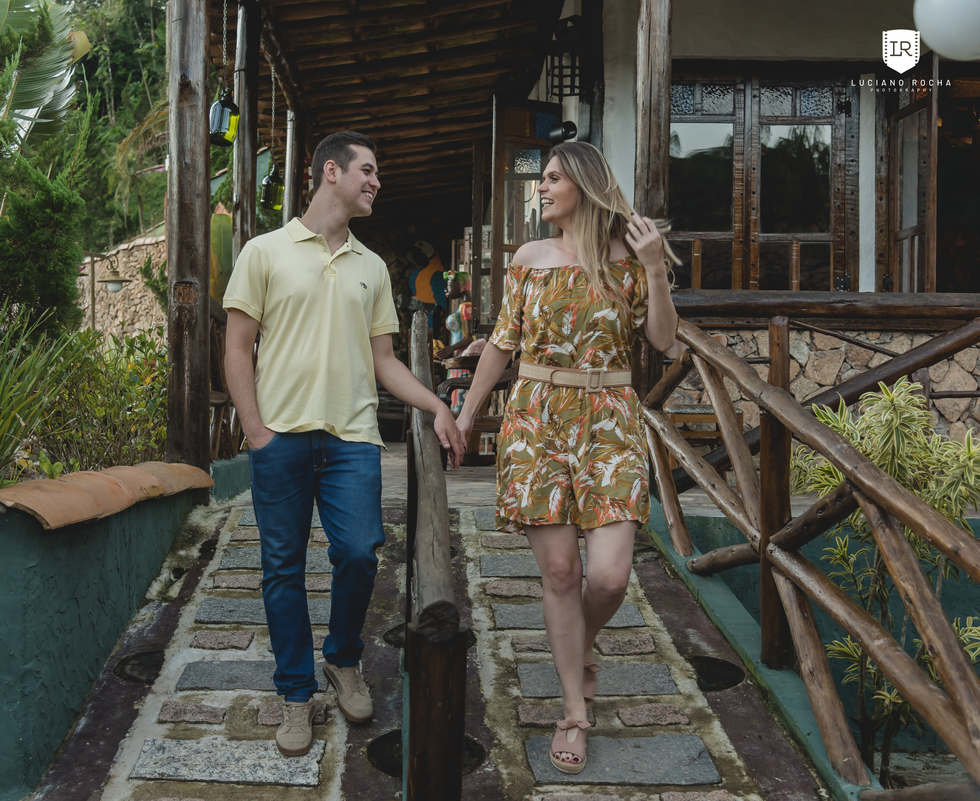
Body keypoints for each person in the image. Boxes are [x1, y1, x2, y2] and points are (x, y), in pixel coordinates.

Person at [223, 130, 466, 758]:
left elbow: (384, 360)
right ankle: (295, 694)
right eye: (368, 170)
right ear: (331, 172)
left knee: (358, 553)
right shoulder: (264, 252)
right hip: (280, 437)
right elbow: (237, 348)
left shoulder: (372, 267)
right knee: (282, 569)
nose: (376, 182)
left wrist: (436, 404)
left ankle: (343, 659)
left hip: (352, 438)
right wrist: (256, 432)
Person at [455, 141, 678, 774]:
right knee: (559, 572)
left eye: (552, 178)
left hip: (610, 422)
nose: (542, 188)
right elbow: (502, 344)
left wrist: (655, 270)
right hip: (537, 421)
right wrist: (468, 415)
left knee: (608, 577)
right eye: (542, 180)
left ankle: (579, 644)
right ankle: (574, 711)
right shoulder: (529, 259)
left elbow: (664, 341)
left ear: (584, 184)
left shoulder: (630, 260)